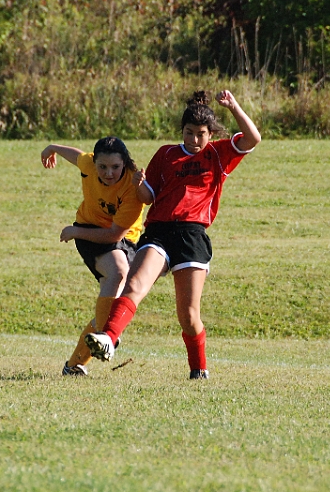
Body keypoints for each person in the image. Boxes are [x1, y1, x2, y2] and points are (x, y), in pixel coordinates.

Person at [85, 90, 261, 379]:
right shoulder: (166, 154)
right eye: (189, 133)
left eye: (200, 134)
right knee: (135, 283)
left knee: (189, 316)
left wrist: (234, 107)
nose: (194, 140)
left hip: (193, 236)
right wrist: (139, 183)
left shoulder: (218, 154)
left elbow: (253, 138)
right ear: (182, 131)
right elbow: (147, 197)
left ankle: (199, 370)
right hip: (159, 232)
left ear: (210, 133)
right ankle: (108, 338)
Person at [40, 136, 146, 376]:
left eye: (115, 167)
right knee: (118, 273)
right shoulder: (89, 165)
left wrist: (73, 231)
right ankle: (107, 336)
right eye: (103, 167)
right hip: (89, 233)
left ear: (125, 164)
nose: (108, 173)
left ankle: (75, 364)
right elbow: (78, 156)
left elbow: (114, 234)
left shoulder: (132, 186)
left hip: (122, 238)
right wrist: (53, 147)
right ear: (95, 163)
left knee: (110, 306)